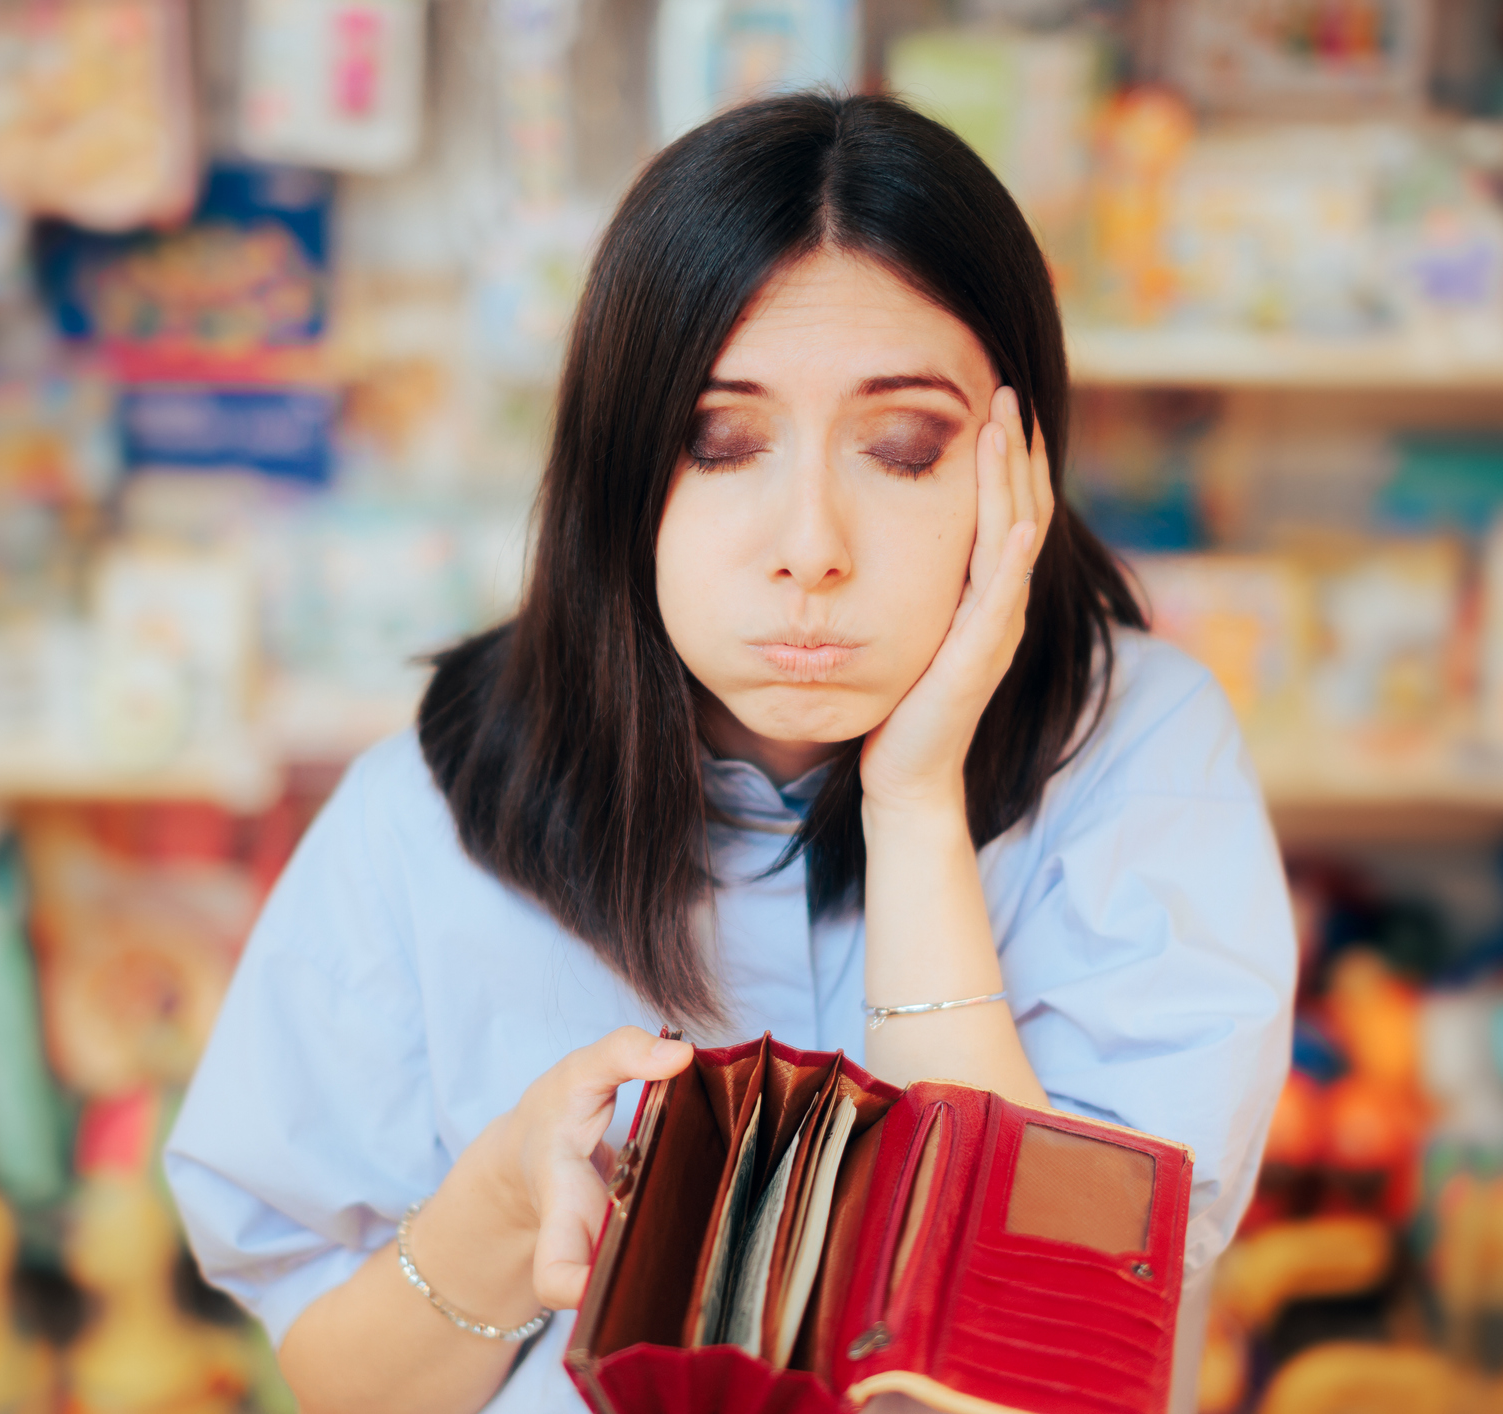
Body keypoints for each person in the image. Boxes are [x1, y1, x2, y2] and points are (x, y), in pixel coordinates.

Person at [165, 91, 1294, 1414]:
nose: (808, 542)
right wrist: (499, 1206)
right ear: (619, 467)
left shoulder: (1136, 751)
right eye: (721, 440)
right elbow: (345, 1386)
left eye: (901, 446)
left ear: (1017, 464)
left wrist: (917, 805)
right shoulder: (425, 811)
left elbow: (1046, 1373)